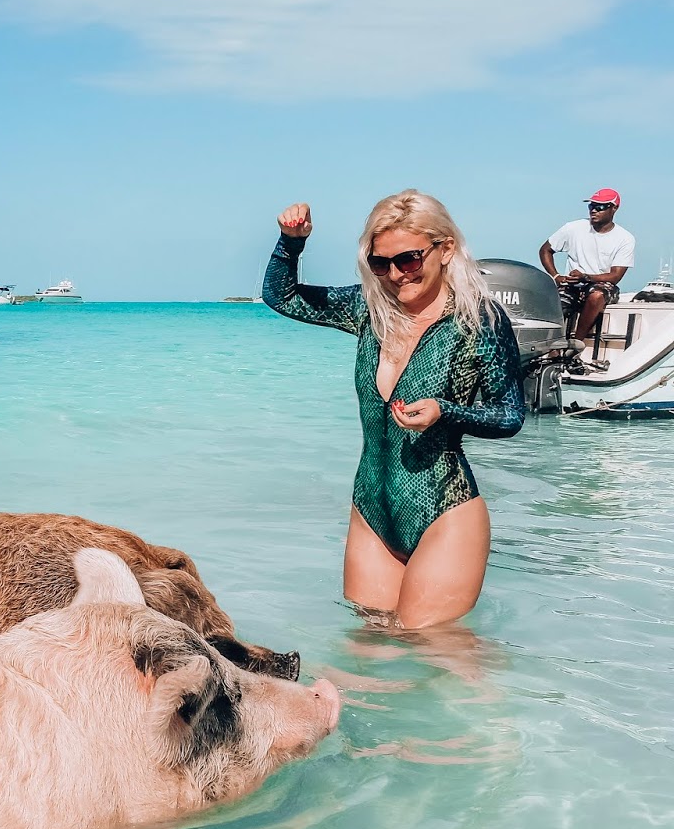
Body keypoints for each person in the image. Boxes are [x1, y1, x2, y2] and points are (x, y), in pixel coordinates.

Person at [262, 191, 524, 629]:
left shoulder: (480, 321)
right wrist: (291, 243)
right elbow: (281, 296)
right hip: (371, 511)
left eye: (409, 260)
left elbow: (509, 415)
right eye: (381, 264)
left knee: (439, 651)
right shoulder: (368, 309)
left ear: (446, 249)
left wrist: (447, 411)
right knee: (369, 652)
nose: (396, 275)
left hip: (445, 510)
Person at [539, 189, 635, 343]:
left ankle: (577, 344)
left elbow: (615, 276)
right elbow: (545, 250)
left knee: (596, 295)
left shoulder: (625, 238)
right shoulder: (573, 228)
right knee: (555, 302)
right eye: (592, 206)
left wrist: (585, 277)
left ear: (614, 208)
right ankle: (553, 350)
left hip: (601, 285)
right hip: (572, 285)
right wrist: (556, 276)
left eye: (601, 207)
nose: (594, 210)